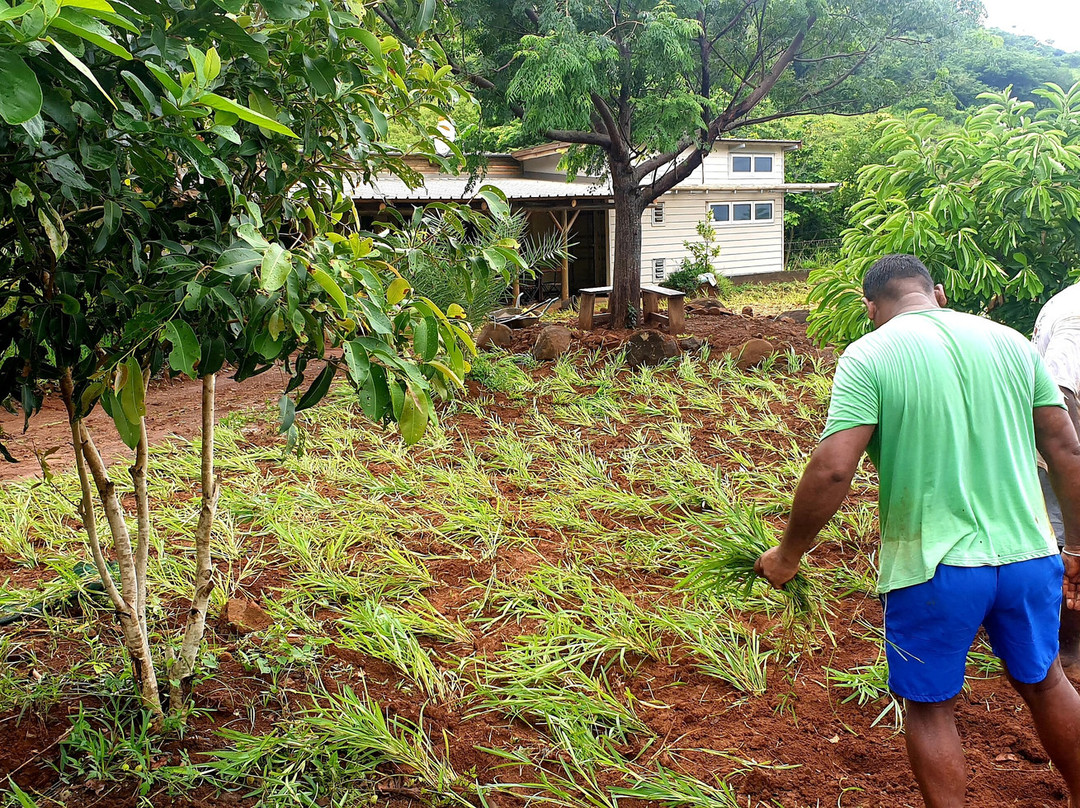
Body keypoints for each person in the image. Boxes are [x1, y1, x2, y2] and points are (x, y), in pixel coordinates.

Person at [754, 254, 1080, 808]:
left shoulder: (870, 354)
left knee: (931, 709)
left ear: (870, 307)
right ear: (940, 293)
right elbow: (1066, 449)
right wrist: (1075, 545)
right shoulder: (1014, 345)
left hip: (934, 567)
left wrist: (788, 554)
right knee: (1048, 682)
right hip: (1028, 555)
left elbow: (834, 468)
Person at [1032, 283, 1080, 672]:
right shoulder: (1075, 314)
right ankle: (1067, 645)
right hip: (1063, 452)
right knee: (1069, 540)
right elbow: (1059, 395)